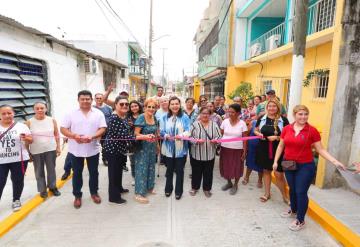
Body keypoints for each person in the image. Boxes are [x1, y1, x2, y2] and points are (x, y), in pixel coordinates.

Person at [273, 105, 346, 231]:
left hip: (305, 166)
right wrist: (275, 161)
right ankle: (294, 209)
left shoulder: (312, 131)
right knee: (292, 189)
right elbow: (280, 146)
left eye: (305, 114)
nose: (303, 117)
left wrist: (335, 161)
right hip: (288, 163)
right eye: (300, 114)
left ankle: (300, 220)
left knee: (301, 192)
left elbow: (321, 149)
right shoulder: (286, 129)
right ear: (294, 115)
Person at [60, 90, 107, 209]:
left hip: (93, 149)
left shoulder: (98, 113)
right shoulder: (70, 113)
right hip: (76, 150)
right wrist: (74, 136)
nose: (85, 101)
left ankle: (94, 193)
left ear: (91, 100)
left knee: (94, 173)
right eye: (83, 99)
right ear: (78, 100)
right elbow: (63, 129)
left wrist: (93, 136)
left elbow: (102, 128)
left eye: (87, 99)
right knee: (77, 173)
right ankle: (77, 195)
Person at [254, 98, 289, 203]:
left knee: (279, 174)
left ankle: (285, 196)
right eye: (270, 106)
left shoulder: (283, 120)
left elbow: (288, 135)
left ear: (278, 107)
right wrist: (259, 134)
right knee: (266, 171)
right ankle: (267, 193)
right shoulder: (262, 118)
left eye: (274, 106)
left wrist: (277, 138)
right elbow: (256, 130)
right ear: (267, 107)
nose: (271, 108)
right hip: (264, 148)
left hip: (278, 150)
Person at [102, 96, 135, 204]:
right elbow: (125, 136)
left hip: (120, 149)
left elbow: (126, 130)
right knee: (113, 173)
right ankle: (114, 197)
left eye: (126, 104)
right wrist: (141, 137)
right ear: (115, 105)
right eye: (121, 104)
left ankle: (119, 188)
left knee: (119, 171)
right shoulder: (114, 118)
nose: (124, 106)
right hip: (113, 150)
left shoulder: (123, 116)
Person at [0, 105, 33, 211]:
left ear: (13, 113)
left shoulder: (21, 126)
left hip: (19, 159)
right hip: (1, 160)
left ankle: (16, 200)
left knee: (18, 180)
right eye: (3, 113)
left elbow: (31, 140)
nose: (6, 115)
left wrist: (27, 138)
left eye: (9, 113)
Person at [26, 102, 61, 198]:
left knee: (51, 170)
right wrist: (27, 152)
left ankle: (53, 187)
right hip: (36, 151)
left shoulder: (52, 120)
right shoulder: (29, 122)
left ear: (46, 109)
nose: (40, 110)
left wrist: (58, 147)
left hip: (51, 149)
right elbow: (26, 139)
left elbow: (56, 134)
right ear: (34, 110)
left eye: (42, 108)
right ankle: (42, 190)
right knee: (39, 171)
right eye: (37, 108)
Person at [160, 96, 190, 200]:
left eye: (176, 104)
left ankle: (178, 191)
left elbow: (188, 130)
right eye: (172, 104)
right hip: (168, 149)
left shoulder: (185, 117)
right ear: (169, 105)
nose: (174, 106)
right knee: (169, 170)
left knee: (180, 171)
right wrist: (166, 135)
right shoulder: (164, 117)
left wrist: (181, 135)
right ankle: (168, 189)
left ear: (179, 105)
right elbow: (161, 131)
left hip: (180, 149)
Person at [189, 107, 221, 197]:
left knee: (208, 173)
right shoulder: (195, 125)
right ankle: (195, 188)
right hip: (197, 154)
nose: (205, 115)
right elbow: (189, 137)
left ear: (210, 115)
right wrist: (196, 141)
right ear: (200, 114)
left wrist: (216, 140)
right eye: (203, 113)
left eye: (207, 113)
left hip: (210, 154)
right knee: (196, 172)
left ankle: (207, 189)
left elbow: (219, 137)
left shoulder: (214, 125)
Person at [133, 98, 159, 204]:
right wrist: (145, 136)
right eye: (149, 107)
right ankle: (139, 193)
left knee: (151, 167)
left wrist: (157, 145)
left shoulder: (155, 118)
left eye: (153, 107)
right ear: (145, 107)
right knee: (142, 169)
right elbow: (135, 134)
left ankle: (149, 187)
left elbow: (156, 133)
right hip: (142, 148)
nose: (151, 109)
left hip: (152, 147)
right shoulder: (141, 117)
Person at [219, 104, 248, 195]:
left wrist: (244, 150)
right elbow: (222, 133)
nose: (230, 114)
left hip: (237, 149)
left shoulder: (242, 123)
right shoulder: (225, 122)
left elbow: (245, 138)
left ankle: (235, 184)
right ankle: (229, 183)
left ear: (238, 113)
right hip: (225, 148)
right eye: (229, 111)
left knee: (237, 167)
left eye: (233, 112)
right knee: (226, 166)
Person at [242, 120, 263, 188]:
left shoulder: (268, 124)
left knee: (261, 165)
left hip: (262, 147)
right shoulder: (253, 122)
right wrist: (249, 127)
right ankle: (246, 177)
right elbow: (246, 134)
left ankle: (260, 180)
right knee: (249, 163)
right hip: (251, 148)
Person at [94, 93, 113, 166]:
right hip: (96, 131)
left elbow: (112, 118)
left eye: (100, 98)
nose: (99, 99)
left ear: (103, 99)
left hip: (107, 130)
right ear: (95, 99)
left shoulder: (108, 108)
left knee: (105, 145)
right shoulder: (92, 108)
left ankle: (105, 159)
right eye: (97, 98)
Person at [127, 100, 143, 185]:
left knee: (141, 161)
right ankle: (134, 177)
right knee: (133, 161)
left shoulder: (143, 116)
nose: (134, 108)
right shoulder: (127, 117)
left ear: (139, 106)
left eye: (136, 106)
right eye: (132, 106)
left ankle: (141, 176)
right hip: (131, 143)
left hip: (143, 141)